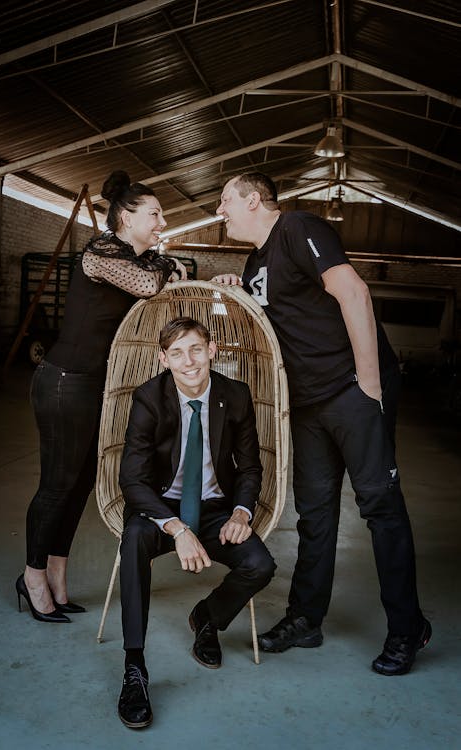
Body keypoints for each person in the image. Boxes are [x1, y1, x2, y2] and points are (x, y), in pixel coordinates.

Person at [211, 171, 431, 676]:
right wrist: (234, 292)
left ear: (252, 199)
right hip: (308, 404)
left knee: (379, 506)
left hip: (352, 389)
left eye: (225, 200)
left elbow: (353, 293)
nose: (220, 210)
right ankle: (305, 619)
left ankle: (407, 627)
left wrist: (370, 386)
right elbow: (271, 326)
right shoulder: (254, 262)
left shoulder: (297, 227)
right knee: (315, 516)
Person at [16, 170, 187, 624]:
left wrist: (171, 264)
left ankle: (56, 573)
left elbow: (164, 278)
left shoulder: (137, 258)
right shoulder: (100, 252)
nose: (162, 222)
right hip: (64, 380)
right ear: (126, 217)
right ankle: (31, 576)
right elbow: (152, 285)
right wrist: (170, 263)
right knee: (57, 483)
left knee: (81, 483)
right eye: (155, 214)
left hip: (93, 384)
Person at [117, 317, 276, 729]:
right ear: (162, 358)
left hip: (215, 507)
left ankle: (207, 617)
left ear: (213, 350)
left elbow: (250, 467)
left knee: (260, 564)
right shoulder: (149, 397)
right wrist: (176, 528)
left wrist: (242, 511)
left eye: (196, 349)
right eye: (176, 353)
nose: (188, 361)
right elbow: (132, 480)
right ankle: (134, 666)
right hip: (161, 507)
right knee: (133, 541)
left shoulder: (236, 395)